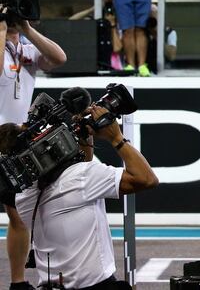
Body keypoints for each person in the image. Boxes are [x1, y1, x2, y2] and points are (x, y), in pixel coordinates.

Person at [8, 103, 158, 290]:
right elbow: (147, 179)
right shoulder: (81, 178)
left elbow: (79, 171)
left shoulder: (23, 195)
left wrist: (84, 136)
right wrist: (116, 138)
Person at [0, 3, 66, 290]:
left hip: (15, 142)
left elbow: (60, 58)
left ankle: (18, 282)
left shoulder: (26, 48)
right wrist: (1, 28)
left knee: (17, 214)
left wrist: (26, 28)